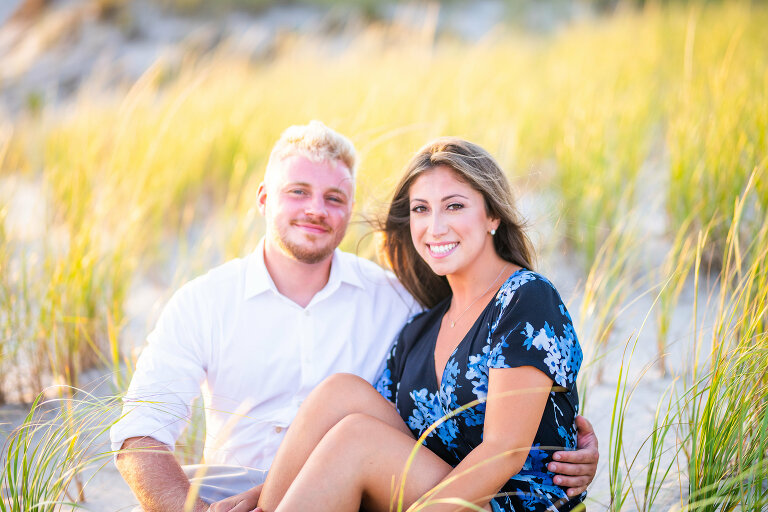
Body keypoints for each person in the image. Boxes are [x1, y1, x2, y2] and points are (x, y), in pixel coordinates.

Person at [110, 123, 598, 512]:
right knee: (341, 394)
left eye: (455, 206)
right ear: (264, 198)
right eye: (422, 210)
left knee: (357, 439)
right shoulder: (421, 321)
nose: (436, 226)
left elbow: (509, 446)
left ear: (493, 216)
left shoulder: (507, 299)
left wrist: (578, 443)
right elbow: (140, 431)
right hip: (294, 485)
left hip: (491, 500)